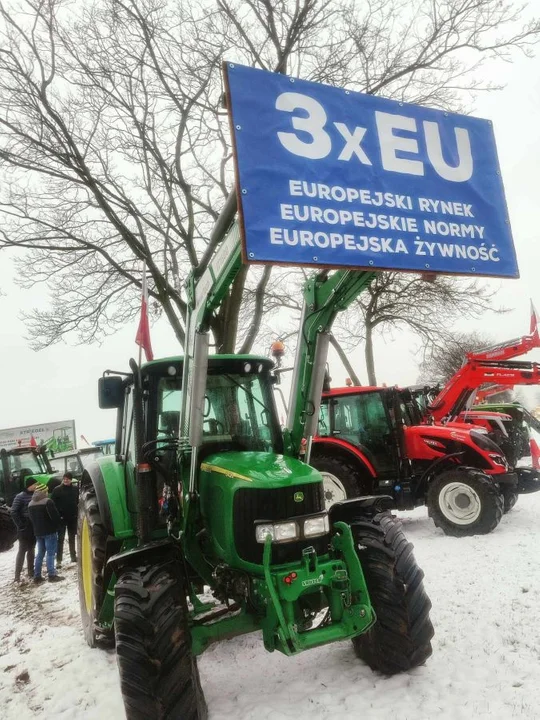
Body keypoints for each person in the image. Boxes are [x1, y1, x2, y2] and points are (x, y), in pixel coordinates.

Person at [28, 484, 64, 583]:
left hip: (38, 532)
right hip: (49, 531)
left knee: (40, 553)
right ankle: (52, 575)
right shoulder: (48, 502)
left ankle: (37, 576)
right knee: (51, 553)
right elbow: (55, 516)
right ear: (44, 492)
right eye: (47, 491)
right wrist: (59, 525)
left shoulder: (30, 503)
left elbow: (31, 519)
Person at [10, 477, 38, 584]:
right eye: (34, 484)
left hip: (33, 526)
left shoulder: (35, 495)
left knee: (31, 548)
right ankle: (17, 576)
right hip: (24, 527)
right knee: (22, 550)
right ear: (29, 485)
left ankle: (31, 571)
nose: (36, 486)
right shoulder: (20, 496)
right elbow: (13, 511)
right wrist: (20, 524)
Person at [51, 472, 78, 567]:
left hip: (72, 518)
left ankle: (73, 556)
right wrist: (58, 516)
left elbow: (78, 502)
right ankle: (58, 560)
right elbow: (52, 505)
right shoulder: (57, 490)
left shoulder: (75, 489)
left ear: (71, 479)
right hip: (61, 519)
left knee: (72, 538)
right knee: (60, 539)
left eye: (68, 479)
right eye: (64, 478)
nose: (66, 480)